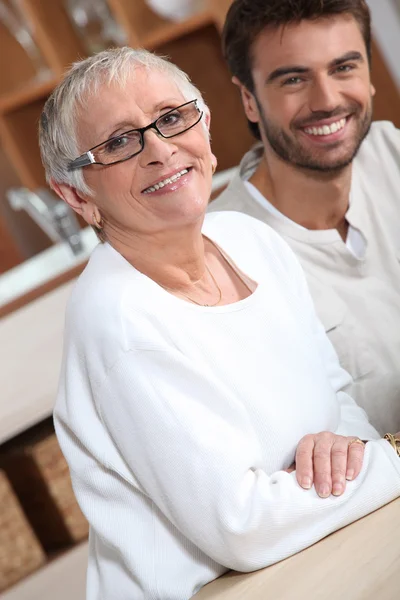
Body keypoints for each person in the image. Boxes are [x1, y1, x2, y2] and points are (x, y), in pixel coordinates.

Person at [39, 47, 400, 600]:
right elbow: (244, 527)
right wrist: (389, 458)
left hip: (315, 556)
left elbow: (338, 398)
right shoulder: (119, 321)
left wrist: (348, 449)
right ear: (76, 195)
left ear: (204, 125)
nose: (160, 150)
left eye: (171, 117)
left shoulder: (250, 239)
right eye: (117, 143)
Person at [210, 0, 400, 435]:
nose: (327, 100)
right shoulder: (224, 257)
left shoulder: (393, 155)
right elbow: (286, 442)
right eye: (293, 79)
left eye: (344, 68)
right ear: (249, 100)